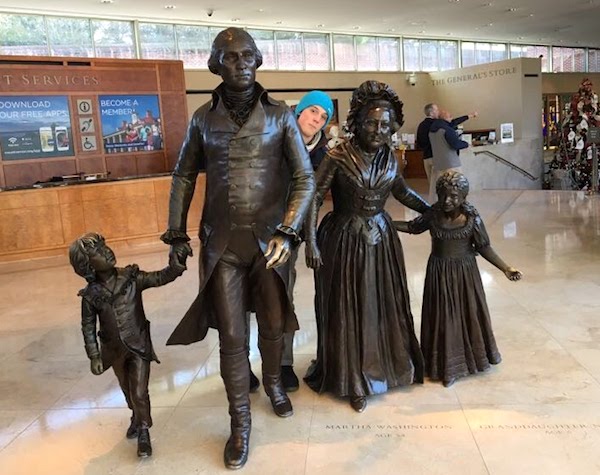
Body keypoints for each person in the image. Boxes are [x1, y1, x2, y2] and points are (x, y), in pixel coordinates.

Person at [161, 28, 315, 470]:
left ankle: (272, 383)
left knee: (272, 325)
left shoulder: (282, 115)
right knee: (232, 337)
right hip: (222, 245)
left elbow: (304, 179)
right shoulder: (202, 119)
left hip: (270, 244)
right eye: (230, 57)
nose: (241, 63)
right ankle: (240, 424)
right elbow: (183, 176)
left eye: (248, 55)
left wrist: (288, 231)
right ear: (215, 65)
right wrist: (176, 234)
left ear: (259, 60)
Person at [303, 80, 429, 413]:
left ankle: (388, 366)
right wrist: (310, 242)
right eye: (371, 122)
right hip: (345, 238)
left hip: (381, 237)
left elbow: (401, 192)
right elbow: (314, 197)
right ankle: (353, 378)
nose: (378, 129)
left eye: (385, 124)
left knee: (381, 303)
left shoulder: (389, 156)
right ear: (357, 122)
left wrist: (432, 211)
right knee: (349, 307)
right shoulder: (337, 154)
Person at [394, 171, 522, 387]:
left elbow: (484, 247)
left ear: (463, 197)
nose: (447, 201)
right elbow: (414, 227)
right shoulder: (434, 213)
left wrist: (506, 268)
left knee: (465, 314)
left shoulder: (472, 218)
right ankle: (443, 364)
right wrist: (386, 222)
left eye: (453, 197)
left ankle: (463, 363)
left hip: (464, 274)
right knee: (442, 316)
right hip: (439, 271)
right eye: (443, 195)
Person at [69, 232, 185, 458]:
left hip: (138, 346)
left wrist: (176, 261)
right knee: (128, 391)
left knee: (140, 392)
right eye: (99, 253)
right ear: (88, 266)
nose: (107, 252)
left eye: (105, 246)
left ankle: (143, 432)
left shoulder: (131, 279)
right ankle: (135, 415)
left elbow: (162, 277)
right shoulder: (91, 295)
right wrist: (94, 355)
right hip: (113, 352)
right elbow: (88, 326)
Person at [416, 103, 477, 181]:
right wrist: (469, 116)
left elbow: (419, 143)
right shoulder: (438, 125)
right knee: (445, 183)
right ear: (431, 113)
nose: (439, 111)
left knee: (433, 184)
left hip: (426, 158)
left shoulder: (421, 125)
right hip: (437, 158)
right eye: (437, 110)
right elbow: (452, 124)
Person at [428, 109, 471, 200]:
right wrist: (466, 144)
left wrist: (468, 116)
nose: (452, 118)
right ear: (447, 118)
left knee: (440, 189)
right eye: (450, 116)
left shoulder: (432, 130)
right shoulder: (447, 130)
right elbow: (455, 144)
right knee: (456, 188)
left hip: (437, 163)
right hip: (451, 164)